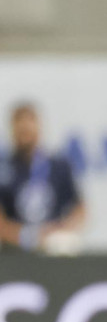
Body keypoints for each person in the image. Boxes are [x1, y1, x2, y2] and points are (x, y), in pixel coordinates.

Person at [0, 101, 86, 255]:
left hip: (52, 248)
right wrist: (25, 237)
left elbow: (80, 209)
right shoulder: (4, 168)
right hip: (14, 251)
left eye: (30, 123)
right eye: (20, 124)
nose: (25, 129)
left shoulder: (58, 166)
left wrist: (61, 230)